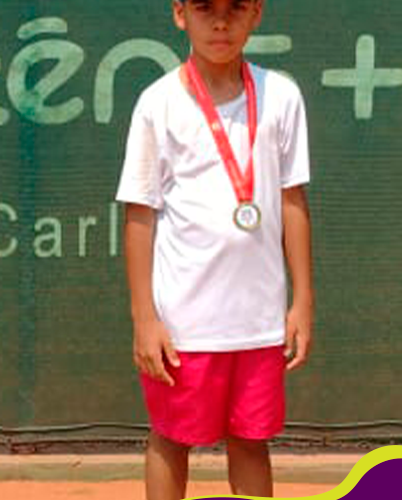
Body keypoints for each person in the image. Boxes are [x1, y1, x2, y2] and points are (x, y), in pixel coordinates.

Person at [115, 0, 313, 498]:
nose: (221, 22)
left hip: (259, 323)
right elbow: (139, 214)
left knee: (251, 441)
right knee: (170, 438)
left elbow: (292, 200)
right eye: (205, 8)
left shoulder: (282, 96)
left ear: (257, 13)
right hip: (183, 326)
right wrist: (144, 318)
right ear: (180, 13)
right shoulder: (157, 103)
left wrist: (303, 300)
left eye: (235, 7)